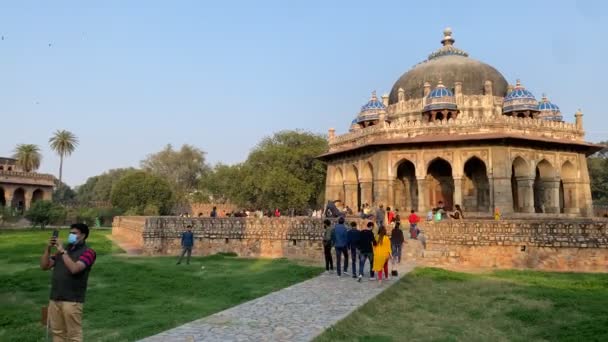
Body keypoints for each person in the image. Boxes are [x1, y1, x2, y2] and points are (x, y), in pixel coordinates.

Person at [40, 223, 97, 342]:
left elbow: (75, 269)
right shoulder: (63, 251)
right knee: (57, 332)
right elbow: (45, 266)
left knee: (73, 335)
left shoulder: (89, 252)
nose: (71, 235)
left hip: (72, 300)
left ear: (83, 235)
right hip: (55, 298)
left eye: (74, 233)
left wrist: (62, 251)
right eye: (70, 232)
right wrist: (48, 248)